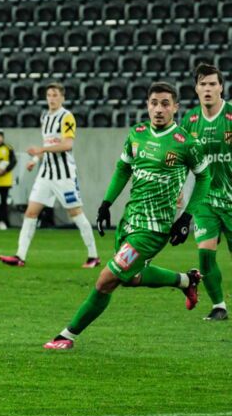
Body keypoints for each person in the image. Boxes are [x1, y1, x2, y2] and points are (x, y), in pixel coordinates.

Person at [43, 82, 210, 350]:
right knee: (130, 277)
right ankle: (186, 280)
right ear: (147, 105)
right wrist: (106, 203)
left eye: (165, 104)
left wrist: (186, 218)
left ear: (175, 108)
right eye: (154, 103)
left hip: (154, 229)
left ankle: (66, 336)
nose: (159, 109)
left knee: (105, 280)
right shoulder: (137, 134)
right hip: (130, 220)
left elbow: (204, 177)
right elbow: (123, 168)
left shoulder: (186, 143)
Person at [0, 82, 99, 268]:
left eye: (55, 95)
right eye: (49, 95)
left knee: (75, 213)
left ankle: (93, 256)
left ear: (62, 97)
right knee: (31, 212)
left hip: (64, 175)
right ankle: (20, 256)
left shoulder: (67, 117)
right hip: (46, 174)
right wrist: (35, 159)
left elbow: (67, 145)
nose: (51, 99)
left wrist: (40, 150)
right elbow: (48, 144)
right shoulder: (45, 117)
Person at [180, 63, 232, 321]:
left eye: (213, 84)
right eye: (203, 84)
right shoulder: (190, 121)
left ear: (221, 87)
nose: (208, 88)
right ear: (196, 89)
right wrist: (178, 187)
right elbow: (182, 158)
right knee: (205, 254)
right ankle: (219, 306)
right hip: (205, 200)